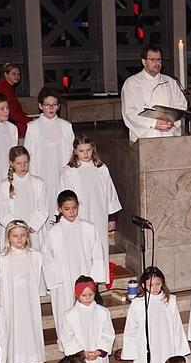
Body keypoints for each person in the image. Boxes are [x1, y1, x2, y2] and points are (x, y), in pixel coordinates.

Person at [121, 267, 190, 363]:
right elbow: (131, 329)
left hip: (166, 345)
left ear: (162, 283)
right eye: (151, 285)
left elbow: (177, 326)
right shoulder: (138, 304)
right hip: (145, 348)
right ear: (143, 285)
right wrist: (132, 353)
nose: (155, 288)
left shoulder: (170, 301)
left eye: (158, 284)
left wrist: (179, 350)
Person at [43, 191, 106, 342]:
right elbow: (46, 256)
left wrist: (94, 280)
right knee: (65, 311)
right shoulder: (54, 232)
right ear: (59, 209)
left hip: (85, 277)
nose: (71, 212)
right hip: (63, 281)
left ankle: (88, 343)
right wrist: (56, 280)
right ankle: (68, 345)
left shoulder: (89, 228)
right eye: (67, 209)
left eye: (75, 208)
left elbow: (97, 254)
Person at [61, 135, 121, 267]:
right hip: (78, 216)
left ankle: (99, 277)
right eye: (81, 151)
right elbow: (63, 196)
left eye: (88, 150)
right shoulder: (69, 171)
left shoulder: (101, 169)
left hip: (99, 216)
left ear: (93, 149)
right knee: (81, 250)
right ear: (75, 151)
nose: (85, 153)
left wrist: (112, 218)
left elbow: (110, 193)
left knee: (99, 248)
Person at [60, 277, 115, 363]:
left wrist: (99, 351)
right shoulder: (70, 315)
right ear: (77, 295)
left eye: (91, 294)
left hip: (98, 359)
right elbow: (67, 338)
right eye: (84, 295)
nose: (88, 298)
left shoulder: (102, 312)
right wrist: (82, 353)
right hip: (80, 360)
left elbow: (108, 333)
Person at [0, 221, 46, 363]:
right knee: (14, 329)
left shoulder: (34, 256)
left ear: (27, 236)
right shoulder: (2, 258)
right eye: (15, 236)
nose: (19, 239)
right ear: (8, 237)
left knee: (29, 328)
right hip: (11, 301)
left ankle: (30, 361)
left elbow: (38, 277)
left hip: (28, 301)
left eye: (23, 235)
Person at [24, 87, 75, 214]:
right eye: (47, 105)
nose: (51, 108)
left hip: (60, 174)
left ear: (58, 106)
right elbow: (28, 154)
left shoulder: (66, 127)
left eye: (54, 105)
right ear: (41, 106)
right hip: (41, 174)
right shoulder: (33, 128)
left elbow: (71, 153)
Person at [120, 44, 187, 142]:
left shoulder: (170, 82)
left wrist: (172, 122)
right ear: (144, 61)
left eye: (159, 60)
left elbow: (181, 105)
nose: (157, 63)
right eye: (152, 60)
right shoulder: (132, 83)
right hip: (146, 136)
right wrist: (153, 124)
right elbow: (129, 112)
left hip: (169, 133)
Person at [0, 146, 48, 248]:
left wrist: (32, 226)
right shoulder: (5, 185)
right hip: (14, 233)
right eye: (18, 163)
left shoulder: (38, 183)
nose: (23, 166)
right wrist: (17, 229)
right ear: (11, 163)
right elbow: (2, 211)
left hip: (33, 232)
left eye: (26, 162)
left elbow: (43, 207)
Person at [0, 62, 29, 138]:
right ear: (6, 74)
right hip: (7, 122)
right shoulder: (3, 89)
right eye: (13, 74)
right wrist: (29, 120)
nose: (17, 76)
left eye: (18, 74)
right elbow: (11, 113)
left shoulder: (6, 86)